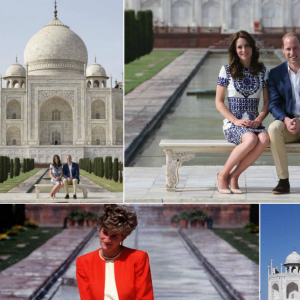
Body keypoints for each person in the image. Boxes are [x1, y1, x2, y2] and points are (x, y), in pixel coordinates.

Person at [215, 30, 270, 194]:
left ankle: (234, 176)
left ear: (253, 48)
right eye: (239, 47)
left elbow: (267, 103)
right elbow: (219, 102)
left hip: (254, 123)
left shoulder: (263, 72)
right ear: (234, 50)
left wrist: (259, 119)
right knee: (251, 139)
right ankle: (222, 175)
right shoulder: (226, 70)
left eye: (247, 46)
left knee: (265, 138)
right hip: (233, 124)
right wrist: (235, 120)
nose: (243, 50)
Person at [76, 205, 154, 300]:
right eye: (105, 233)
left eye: (114, 236)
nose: (107, 240)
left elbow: (145, 297)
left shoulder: (138, 258)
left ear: (123, 237)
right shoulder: (84, 262)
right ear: (99, 230)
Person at [268, 32, 300, 194]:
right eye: (288, 49)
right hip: (289, 125)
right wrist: (286, 120)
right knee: (274, 128)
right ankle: (283, 180)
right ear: (283, 50)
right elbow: (273, 105)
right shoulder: (275, 74)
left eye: (295, 48)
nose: (292, 53)